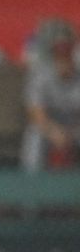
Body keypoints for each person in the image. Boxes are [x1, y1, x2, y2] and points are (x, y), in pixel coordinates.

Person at [20, 23, 80, 171]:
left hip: (75, 124)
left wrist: (72, 131)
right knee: (35, 137)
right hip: (49, 125)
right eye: (59, 47)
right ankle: (32, 185)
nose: (63, 52)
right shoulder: (40, 74)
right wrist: (54, 132)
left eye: (67, 47)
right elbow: (36, 113)